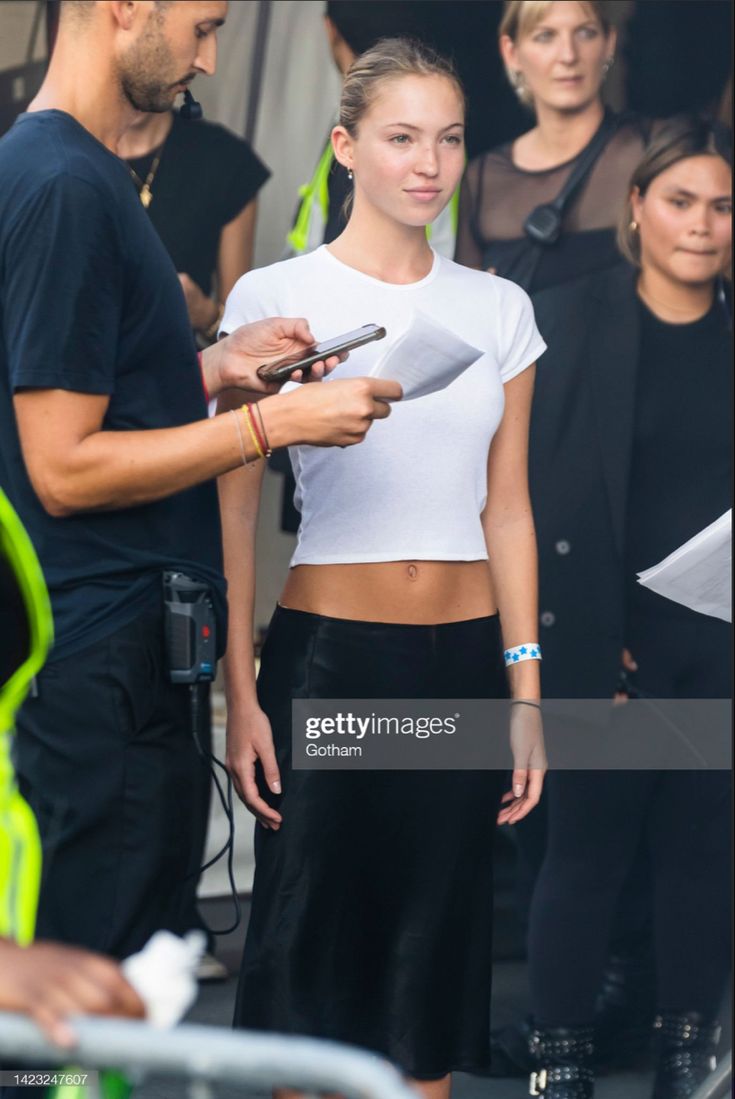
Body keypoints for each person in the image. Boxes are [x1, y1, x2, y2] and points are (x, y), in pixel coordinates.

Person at [0, 0, 399, 961]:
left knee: (132, 983)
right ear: (126, 6)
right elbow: (61, 468)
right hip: (97, 668)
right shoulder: (63, 185)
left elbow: (85, 400)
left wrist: (215, 369)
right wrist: (271, 425)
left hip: (114, 659)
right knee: (96, 1011)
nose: (210, 59)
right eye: (202, 25)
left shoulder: (60, 169)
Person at [219, 38, 547, 1097]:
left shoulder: (499, 309)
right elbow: (230, 509)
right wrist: (239, 693)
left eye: (448, 138)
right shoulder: (275, 296)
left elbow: (509, 509)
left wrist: (525, 690)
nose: (430, 161)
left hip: (460, 670)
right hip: (332, 664)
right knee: (308, 971)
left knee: (426, 977)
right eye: (403, 136)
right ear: (345, 146)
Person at [523, 115, 732, 1098]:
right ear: (639, 209)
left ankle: (687, 1047)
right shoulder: (567, 319)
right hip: (607, 647)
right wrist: (585, 648)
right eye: (682, 201)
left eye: (723, 205)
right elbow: (538, 488)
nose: (703, 223)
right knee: (585, 855)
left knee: (703, 854)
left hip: (720, 646)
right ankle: (556, 1052)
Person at [455, 0, 649, 292]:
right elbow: (466, 314)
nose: (568, 55)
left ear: (609, 42)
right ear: (511, 52)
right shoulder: (483, 177)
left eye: (585, 33)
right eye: (545, 36)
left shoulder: (650, 149)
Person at [118, 105, 269, 346]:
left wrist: (203, 313)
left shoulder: (223, 159)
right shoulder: (68, 146)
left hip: (170, 368)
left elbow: (237, 334)